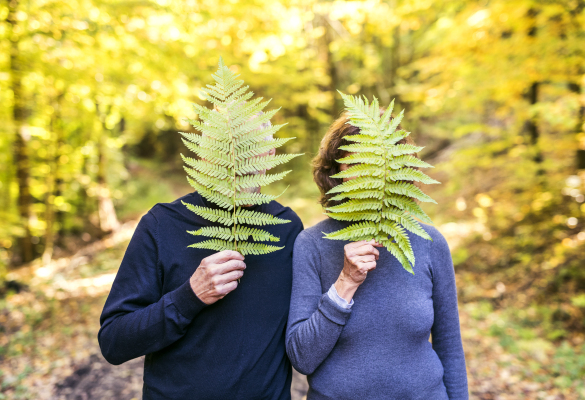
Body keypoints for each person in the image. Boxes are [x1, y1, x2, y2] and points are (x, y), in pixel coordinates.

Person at [98, 119, 303, 399]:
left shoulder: (287, 227)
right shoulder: (161, 225)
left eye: (251, 147)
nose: (236, 160)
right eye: (226, 148)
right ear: (204, 154)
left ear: (270, 153)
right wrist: (189, 296)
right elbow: (113, 342)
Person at [285, 114, 469, 399]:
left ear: (398, 170)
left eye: (375, 165)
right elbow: (302, 357)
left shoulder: (430, 243)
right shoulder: (311, 244)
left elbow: (450, 348)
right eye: (354, 164)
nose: (366, 175)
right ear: (336, 172)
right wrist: (345, 283)